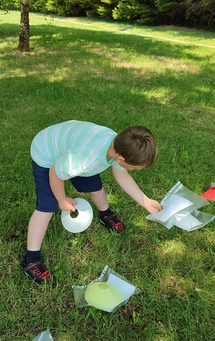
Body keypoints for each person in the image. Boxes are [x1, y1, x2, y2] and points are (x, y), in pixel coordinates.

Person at [21, 120, 162, 285]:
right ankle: (31, 261)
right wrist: (61, 198)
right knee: (48, 205)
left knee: (95, 187)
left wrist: (145, 201)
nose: (136, 170)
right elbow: (55, 172)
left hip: (72, 149)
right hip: (46, 150)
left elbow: (122, 176)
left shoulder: (119, 144)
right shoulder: (85, 159)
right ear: (120, 159)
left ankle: (106, 214)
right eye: (136, 168)